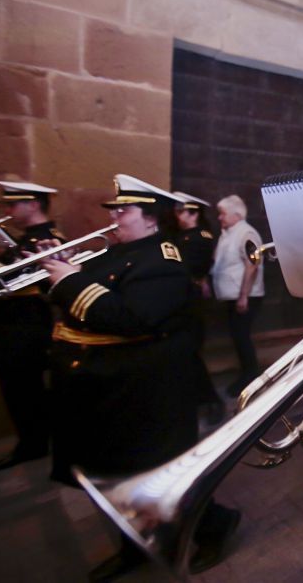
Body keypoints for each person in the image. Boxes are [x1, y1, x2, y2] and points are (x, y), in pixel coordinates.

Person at [39, 175, 240, 579]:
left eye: (123, 211)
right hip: (106, 385)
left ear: (151, 219)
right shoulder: (117, 253)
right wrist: (60, 265)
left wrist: (71, 280)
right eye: (113, 210)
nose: (114, 218)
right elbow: (84, 302)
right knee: (114, 476)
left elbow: (131, 318)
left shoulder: (163, 261)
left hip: (147, 391)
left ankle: (216, 526)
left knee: (163, 474)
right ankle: (132, 545)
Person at [0, 181, 65, 472]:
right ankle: (34, 443)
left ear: (33, 204)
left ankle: (33, 445)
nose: (7, 210)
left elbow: (0, 279)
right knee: (20, 391)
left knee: (23, 391)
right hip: (14, 324)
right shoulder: (24, 240)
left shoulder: (48, 239)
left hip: (24, 327)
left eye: (13, 204)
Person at [171, 190, 224, 424]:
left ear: (191, 213)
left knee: (191, 354)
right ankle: (197, 400)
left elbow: (190, 268)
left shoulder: (199, 237)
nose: (176, 215)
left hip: (191, 302)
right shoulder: (183, 237)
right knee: (186, 355)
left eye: (179, 211)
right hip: (185, 298)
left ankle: (212, 401)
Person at [212, 194, 265, 397]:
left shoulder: (247, 233)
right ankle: (248, 374)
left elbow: (252, 266)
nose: (219, 218)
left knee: (241, 337)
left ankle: (250, 377)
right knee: (237, 337)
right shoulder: (229, 232)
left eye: (223, 213)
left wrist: (243, 296)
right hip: (233, 295)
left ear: (237, 214)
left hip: (245, 297)